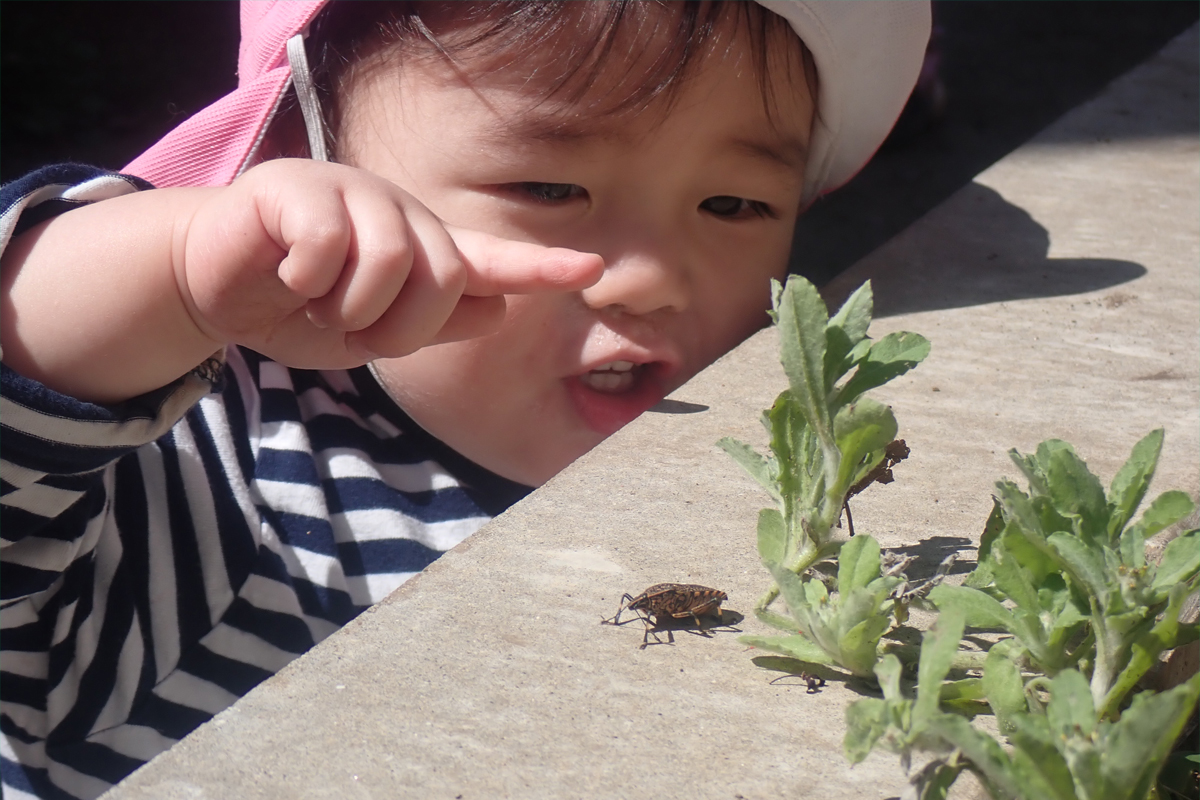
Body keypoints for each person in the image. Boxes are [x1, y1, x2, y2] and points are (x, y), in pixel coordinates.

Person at [0, 2, 930, 797]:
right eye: (551, 186)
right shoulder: (243, 486)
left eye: (734, 206)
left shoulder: (753, 470)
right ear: (302, 152)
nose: (647, 280)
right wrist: (178, 273)